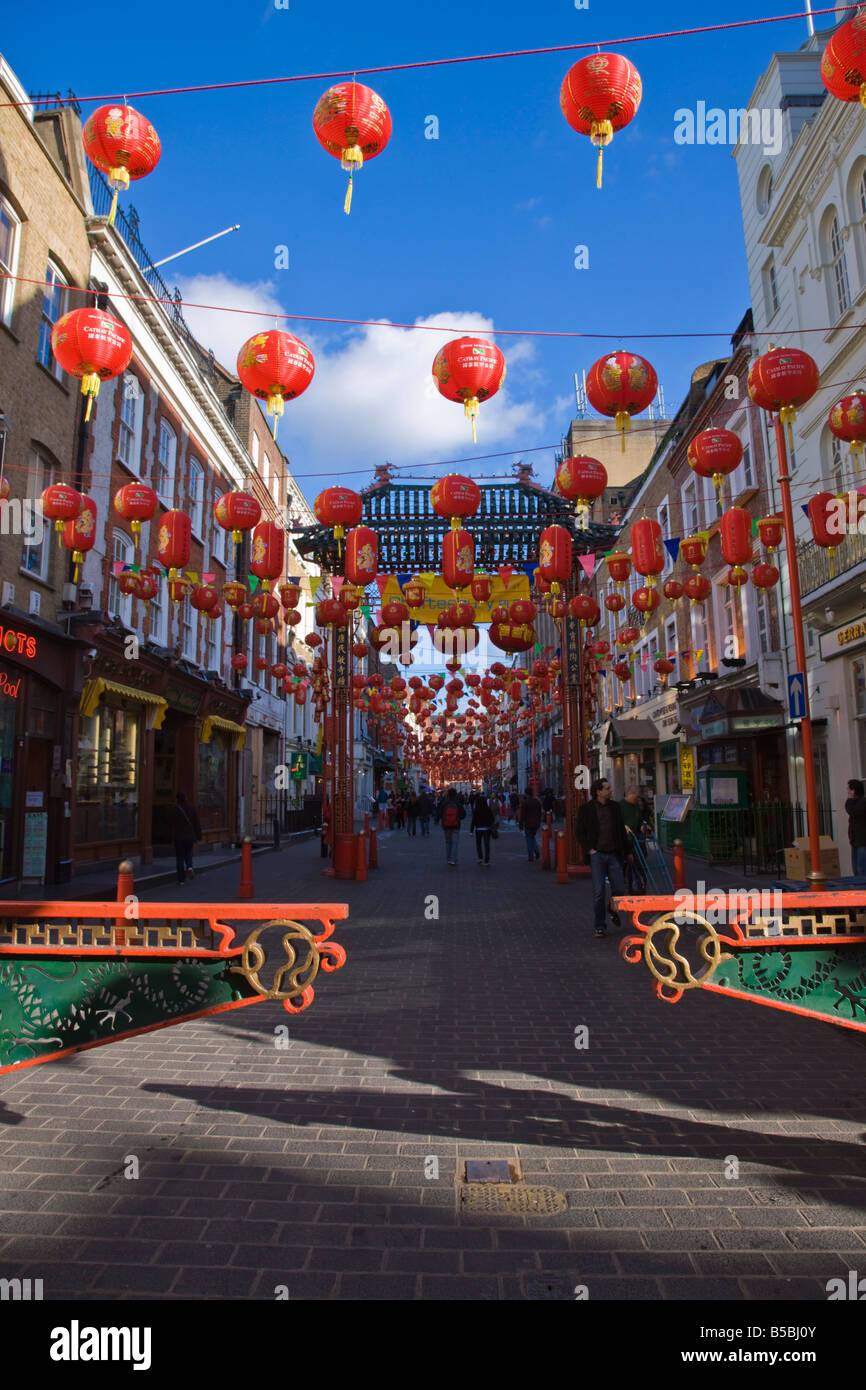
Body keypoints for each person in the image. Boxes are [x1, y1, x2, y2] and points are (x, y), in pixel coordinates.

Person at [577, 778, 631, 937]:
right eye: (607, 788)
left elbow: (621, 830)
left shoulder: (615, 807)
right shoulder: (587, 809)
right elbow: (579, 831)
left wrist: (627, 851)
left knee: (620, 889)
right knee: (598, 891)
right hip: (598, 854)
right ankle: (600, 925)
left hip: (614, 853)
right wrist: (590, 850)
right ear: (598, 791)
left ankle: (611, 909)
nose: (610, 791)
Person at [171, 790, 201, 885]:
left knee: (180, 858)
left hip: (179, 836)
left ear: (177, 799)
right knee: (188, 853)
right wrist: (198, 836)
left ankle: (181, 880)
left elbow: (170, 823)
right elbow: (196, 823)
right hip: (189, 836)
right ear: (186, 798)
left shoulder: (175, 809)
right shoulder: (192, 808)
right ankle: (189, 867)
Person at [845, 778, 866, 876]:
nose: (848, 792)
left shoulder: (863, 802)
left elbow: (853, 811)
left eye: (849, 789)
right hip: (855, 839)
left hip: (862, 840)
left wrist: (850, 800)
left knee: (861, 869)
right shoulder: (854, 803)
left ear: (854, 790)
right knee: (856, 869)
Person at [440, 787, 465, 866]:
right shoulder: (457, 803)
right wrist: (458, 817)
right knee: (455, 842)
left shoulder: (445, 803)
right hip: (456, 825)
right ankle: (453, 859)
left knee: (448, 842)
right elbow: (463, 814)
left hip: (446, 825)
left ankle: (448, 858)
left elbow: (439, 813)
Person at [471, 791, 497, 865]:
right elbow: (492, 819)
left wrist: (471, 830)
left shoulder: (476, 810)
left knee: (478, 844)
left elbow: (473, 820)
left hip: (478, 829)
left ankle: (480, 858)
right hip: (487, 829)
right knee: (487, 844)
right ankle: (487, 860)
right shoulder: (488, 809)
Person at [519, 787, 543, 861]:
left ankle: (531, 856)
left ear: (526, 794)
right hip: (536, 823)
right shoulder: (536, 801)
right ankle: (536, 850)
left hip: (528, 823)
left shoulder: (525, 803)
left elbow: (522, 815)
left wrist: (521, 824)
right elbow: (540, 813)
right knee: (532, 837)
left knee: (529, 839)